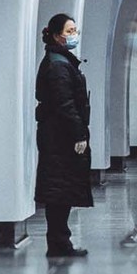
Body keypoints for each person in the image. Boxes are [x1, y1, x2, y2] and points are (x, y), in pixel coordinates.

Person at [34, 13, 92, 258]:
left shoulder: (60, 61)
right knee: (59, 189)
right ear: (57, 35)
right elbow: (65, 103)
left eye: (75, 31)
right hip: (60, 137)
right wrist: (78, 133)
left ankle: (60, 242)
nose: (74, 35)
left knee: (61, 188)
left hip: (57, 134)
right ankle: (59, 244)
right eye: (69, 31)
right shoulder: (58, 65)